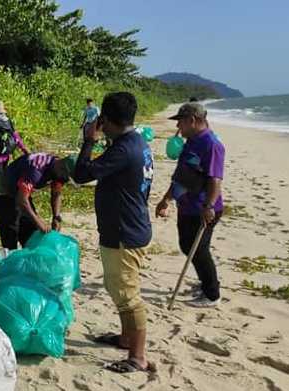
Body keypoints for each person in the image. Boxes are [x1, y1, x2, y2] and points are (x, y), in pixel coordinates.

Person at [72, 92, 155, 374]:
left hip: (124, 232)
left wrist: (88, 141)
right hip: (130, 226)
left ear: (106, 119)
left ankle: (138, 356)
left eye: (102, 122)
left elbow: (82, 174)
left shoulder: (123, 150)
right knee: (118, 288)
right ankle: (125, 339)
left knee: (128, 295)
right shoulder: (137, 142)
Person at [156, 102, 225, 308]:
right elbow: (181, 176)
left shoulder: (211, 144)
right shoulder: (191, 142)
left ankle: (212, 294)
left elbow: (215, 179)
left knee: (198, 249)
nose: (179, 128)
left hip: (202, 208)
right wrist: (166, 199)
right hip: (186, 205)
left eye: (181, 123)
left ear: (192, 121)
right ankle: (205, 283)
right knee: (187, 246)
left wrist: (209, 206)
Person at [0, 153, 75, 250]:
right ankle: (10, 258)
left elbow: (56, 193)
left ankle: (26, 259)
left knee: (30, 232)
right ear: (62, 168)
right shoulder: (36, 169)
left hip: (21, 192)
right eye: (66, 178)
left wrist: (56, 217)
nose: (65, 181)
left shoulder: (58, 171)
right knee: (11, 232)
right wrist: (39, 222)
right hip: (4, 193)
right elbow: (21, 200)